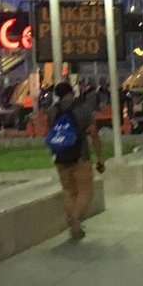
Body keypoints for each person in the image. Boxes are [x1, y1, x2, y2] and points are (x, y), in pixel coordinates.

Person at [47, 80, 105, 241]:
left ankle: (73, 221)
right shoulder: (83, 110)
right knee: (85, 191)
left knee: (68, 191)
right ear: (71, 92)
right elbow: (93, 133)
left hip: (60, 157)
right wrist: (100, 157)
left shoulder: (51, 111)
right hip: (80, 157)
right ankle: (75, 219)